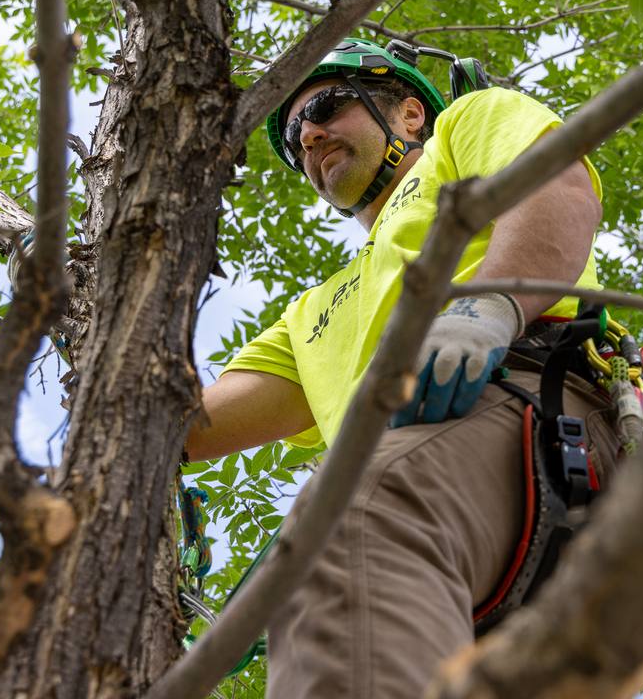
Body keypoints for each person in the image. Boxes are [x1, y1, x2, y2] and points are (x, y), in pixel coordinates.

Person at [187, 38, 610, 697]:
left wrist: (489, 309)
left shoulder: (462, 132)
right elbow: (190, 426)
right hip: (452, 541)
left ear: (409, 114)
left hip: (533, 411)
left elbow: (557, 185)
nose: (310, 135)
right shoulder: (311, 314)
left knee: (345, 515)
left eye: (326, 106)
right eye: (297, 134)